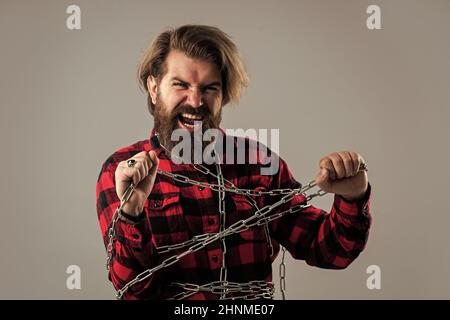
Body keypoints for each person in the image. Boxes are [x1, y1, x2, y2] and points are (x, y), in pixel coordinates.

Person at [96, 24, 372, 300]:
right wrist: (131, 211)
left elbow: (331, 251)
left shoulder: (258, 163)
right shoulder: (121, 172)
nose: (195, 101)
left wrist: (353, 196)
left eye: (209, 88)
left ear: (223, 95)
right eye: (180, 85)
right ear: (154, 88)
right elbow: (131, 290)